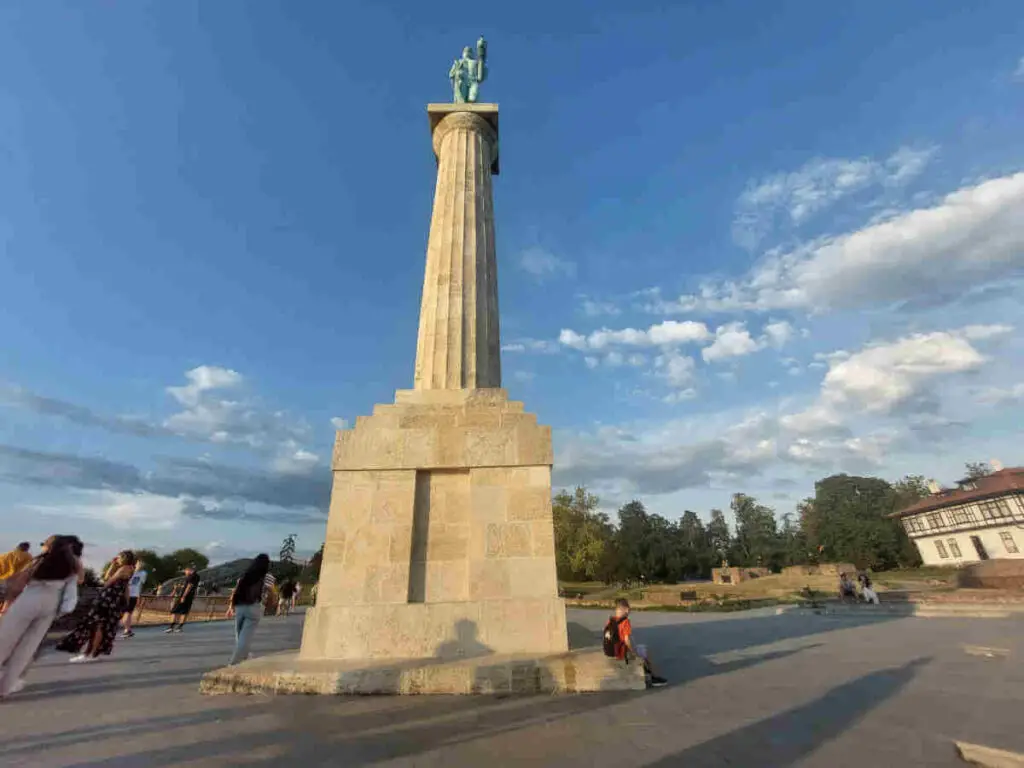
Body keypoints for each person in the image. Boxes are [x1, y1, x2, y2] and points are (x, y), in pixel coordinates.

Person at [0, 536, 80, 697]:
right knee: (27, 648)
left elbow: (19, 583)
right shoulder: (72, 566)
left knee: (5, 640)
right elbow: (71, 594)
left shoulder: (39, 561)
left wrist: (8, 601)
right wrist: (61, 611)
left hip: (30, 598)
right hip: (50, 604)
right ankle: (3, 689)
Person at [57, 550, 135, 663]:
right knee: (102, 626)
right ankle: (93, 653)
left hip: (107, 599)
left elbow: (107, 580)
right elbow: (125, 587)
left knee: (96, 625)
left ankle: (88, 654)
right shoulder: (131, 570)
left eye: (118, 557)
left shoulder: (122, 569)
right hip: (115, 601)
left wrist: (112, 568)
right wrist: (126, 603)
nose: (116, 559)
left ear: (123, 558)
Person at [603, 599, 667, 687]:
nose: (629, 612)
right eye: (629, 610)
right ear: (625, 609)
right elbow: (627, 640)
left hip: (610, 651)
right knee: (645, 651)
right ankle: (653, 677)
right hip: (621, 651)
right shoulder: (625, 622)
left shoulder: (610, 621)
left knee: (641, 649)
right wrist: (633, 652)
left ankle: (648, 672)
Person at [226, 554, 270, 665]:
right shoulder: (267, 577)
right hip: (254, 607)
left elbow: (235, 591)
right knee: (245, 636)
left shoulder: (245, 576)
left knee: (239, 634)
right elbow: (269, 593)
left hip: (240, 606)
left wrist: (230, 607)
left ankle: (244, 655)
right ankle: (235, 661)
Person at [0, 542, 33, 614]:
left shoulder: (4, 556)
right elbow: (29, 571)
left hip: (2, 581)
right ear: (27, 548)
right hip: (16, 583)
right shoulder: (29, 557)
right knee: (8, 604)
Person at [166, 564, 200, 633]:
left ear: (189, 570)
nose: (185, 573)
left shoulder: (191, 577)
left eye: (185, 571)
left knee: (174, 611)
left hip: (185, 596)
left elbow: (189, 586)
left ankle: (171, 627)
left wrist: (183, 596)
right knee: (184, 612)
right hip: (190, 596)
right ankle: (179, 627)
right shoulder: (197, 576)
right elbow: (195, 587)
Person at [121, 560, 148, 638]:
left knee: (129, 613)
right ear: (135, 563)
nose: (141, 564)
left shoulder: (143, 573)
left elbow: (140, 585)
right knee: (126, 612)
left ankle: (128, 630)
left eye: (142, 563)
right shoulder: (129, 571)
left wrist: (139, 595)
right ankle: (126, 629)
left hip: (134, 595)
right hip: (126, 594)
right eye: (139, 563)